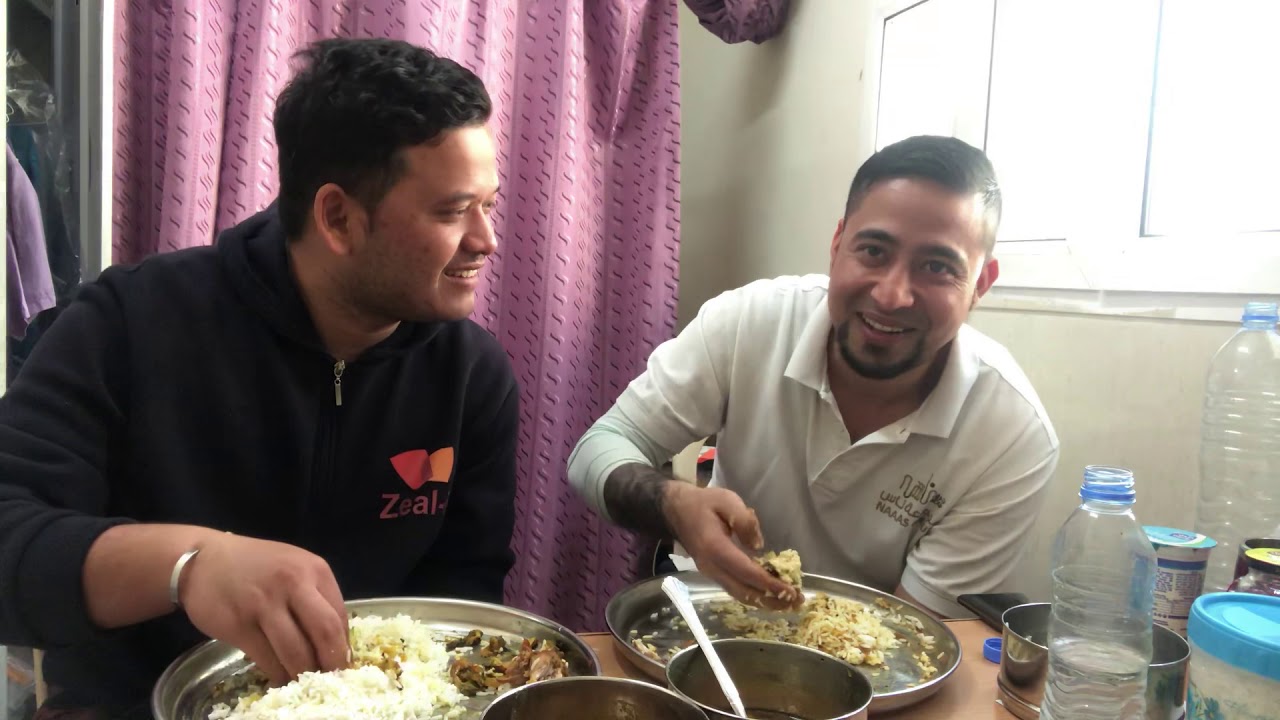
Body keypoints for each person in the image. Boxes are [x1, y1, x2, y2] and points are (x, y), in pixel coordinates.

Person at [0, 38, 517, 716]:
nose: (486, 240)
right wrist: (187, 567)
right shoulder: (130, 325)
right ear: (338, 218)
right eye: (452, 211)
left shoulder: (471, 376)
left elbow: (462, 606)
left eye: (489, 205)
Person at [568, 135, 1058, 618]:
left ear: (981, 284)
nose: (891, 295)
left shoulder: (1011, 435)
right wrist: (673, 503)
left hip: (877, 660)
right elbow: (599, 447)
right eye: (874, 251)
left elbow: (917, 634)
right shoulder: (750, 321)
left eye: (936, 266)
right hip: (714, 626)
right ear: (837, 243)